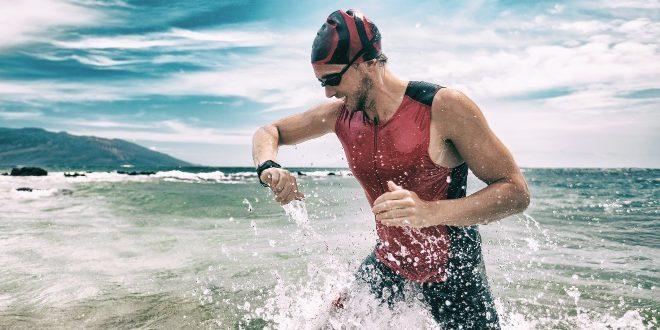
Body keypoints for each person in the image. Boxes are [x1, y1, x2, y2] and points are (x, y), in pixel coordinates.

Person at [252, 9, 530, 329]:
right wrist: (268, 166)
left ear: (366, 64)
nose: (328, 92)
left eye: (332, 79)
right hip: (391, 262)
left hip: (454, 271)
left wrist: (430, 212)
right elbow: (268, 131)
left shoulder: (443, 106)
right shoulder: (340, 116)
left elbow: (516, 192)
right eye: (321, 82)